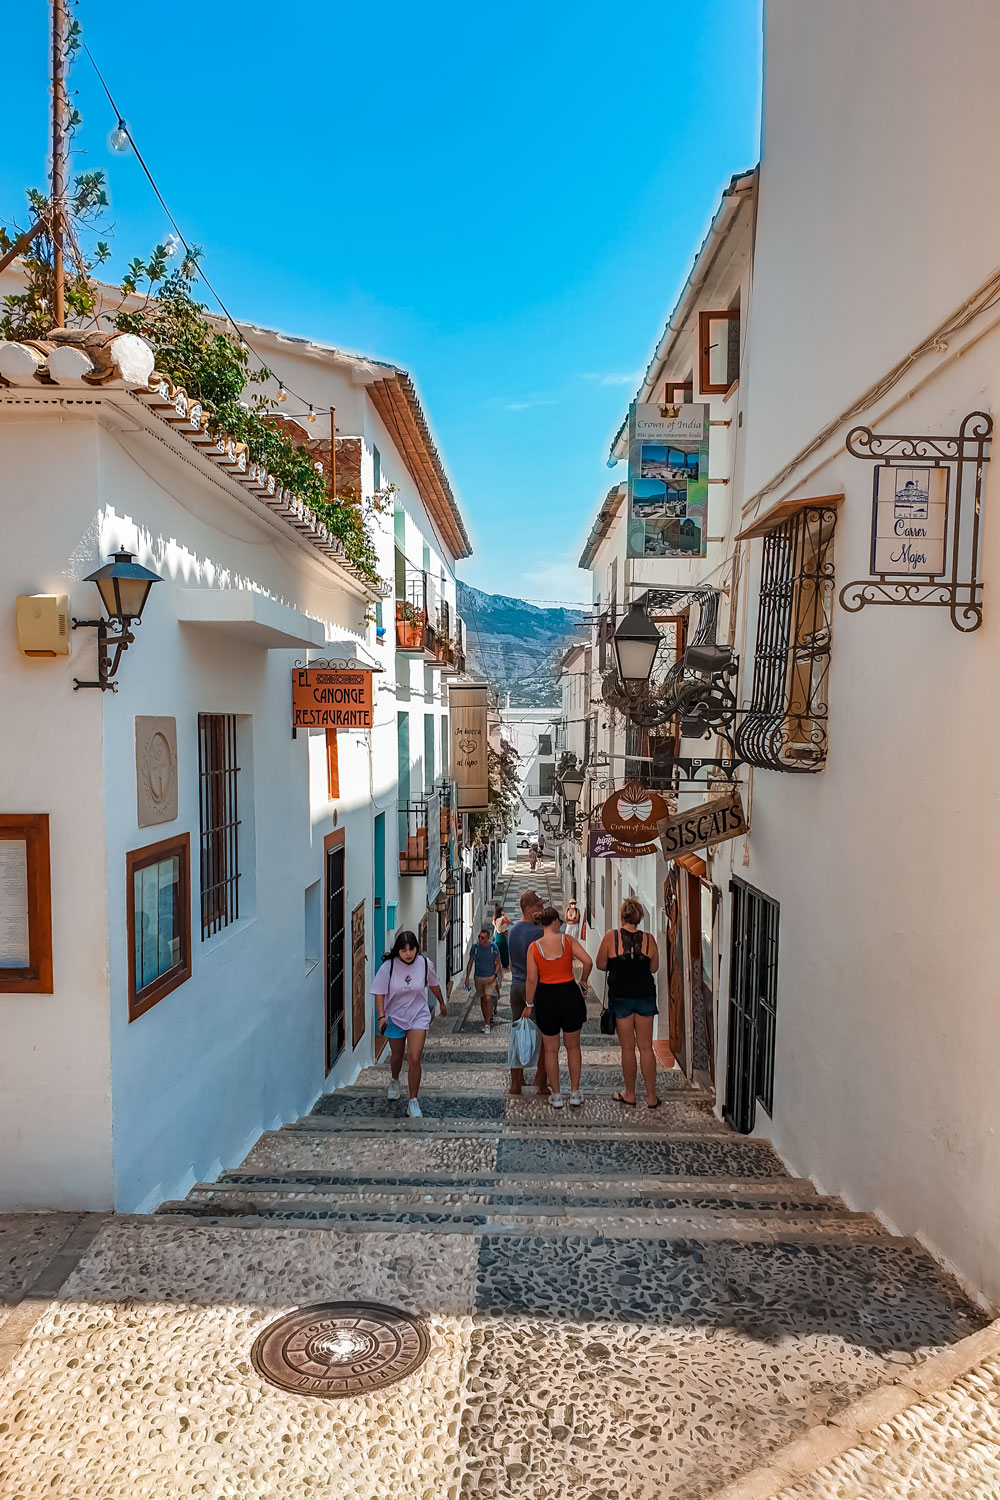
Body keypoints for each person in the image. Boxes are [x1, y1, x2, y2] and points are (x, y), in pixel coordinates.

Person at [372, 930, 446, 1118]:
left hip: (418, 1016)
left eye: (411, 949)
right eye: (403, 950)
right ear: (398, 950)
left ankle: (413, 1101)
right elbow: (379, 992)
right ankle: (395, 1079)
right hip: (395, 1017)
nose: (408, 953)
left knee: (414, 1057)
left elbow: (433, 984)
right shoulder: (388, 967)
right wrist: (381, 1016)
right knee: (396, 1057)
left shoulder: (424, 964)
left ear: (416, 948)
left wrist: (442, 1002)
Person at [524, 907, 593, 1108]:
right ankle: (574, 1092)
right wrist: (583, 981)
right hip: (569, 994)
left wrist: (529, 1004)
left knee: (551, 1050)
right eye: (560, 922)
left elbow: (531, 979)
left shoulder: (534, 948)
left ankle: (555, 1095)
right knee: (573, 1047)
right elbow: (588, 961)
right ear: (554, 922)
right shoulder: (567, 941)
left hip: (546, 996)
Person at [596, 899, 661, 1109]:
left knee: (627, 1048)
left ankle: (630, 1093)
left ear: (622, 916)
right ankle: (651, 1096)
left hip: (621, 996)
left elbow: (600, 964)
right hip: (645, 996)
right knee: (646, 1047)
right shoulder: (650, 940)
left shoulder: (610, 937)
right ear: (639, 917)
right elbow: (654, 968)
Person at [506, 889, 548, 1095]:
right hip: (535, 987)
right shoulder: (539, 933)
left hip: (515, 987)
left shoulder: (512, 931)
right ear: (529, 909)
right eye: (539, 906)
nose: (542, 909)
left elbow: (512, 965)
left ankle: (516, 1081)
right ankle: (541, 1082)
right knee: (543, 1034)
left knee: (517, 1033)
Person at [465, 927, 502, 1033]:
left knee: (488, 998)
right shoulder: (475, 947)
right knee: (482, 999)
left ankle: (487, 1024)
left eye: (482, 938)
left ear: (487, 938)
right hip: (478, 978)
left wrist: (495, 975)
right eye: (479, 937)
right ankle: (486, 1019)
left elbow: (498, 962)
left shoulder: (493, 947)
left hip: (490, 978)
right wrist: (467, 978)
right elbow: (470, 962)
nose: (479, 939)